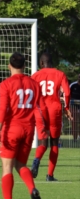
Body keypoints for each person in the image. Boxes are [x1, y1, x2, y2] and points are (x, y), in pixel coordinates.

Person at [0, 52, 47, 199]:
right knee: (21, 164)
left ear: (9, 66)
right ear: (24, 66)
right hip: (28, 129)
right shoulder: (34, 84)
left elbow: (2, 108)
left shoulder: (6, 84)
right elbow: (41, 107)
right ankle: (32, 189)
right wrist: (42, 126)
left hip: (12, 128)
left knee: (7, 167)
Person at [30, 52, 72, 182]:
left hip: (40, 111)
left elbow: (30, 93)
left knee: (43, 142)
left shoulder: (35, 76)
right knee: (54, 142)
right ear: (52, 62)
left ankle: (36, 160)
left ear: (41, 63)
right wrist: (67, 108)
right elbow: (67, 92)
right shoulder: (60, 74)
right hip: (54, 110)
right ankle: (50, 175)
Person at [69, 74, 80, 142]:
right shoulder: (73, 85)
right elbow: (67, 94)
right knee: (74, 122)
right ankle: (75, 138)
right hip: (73, 106)